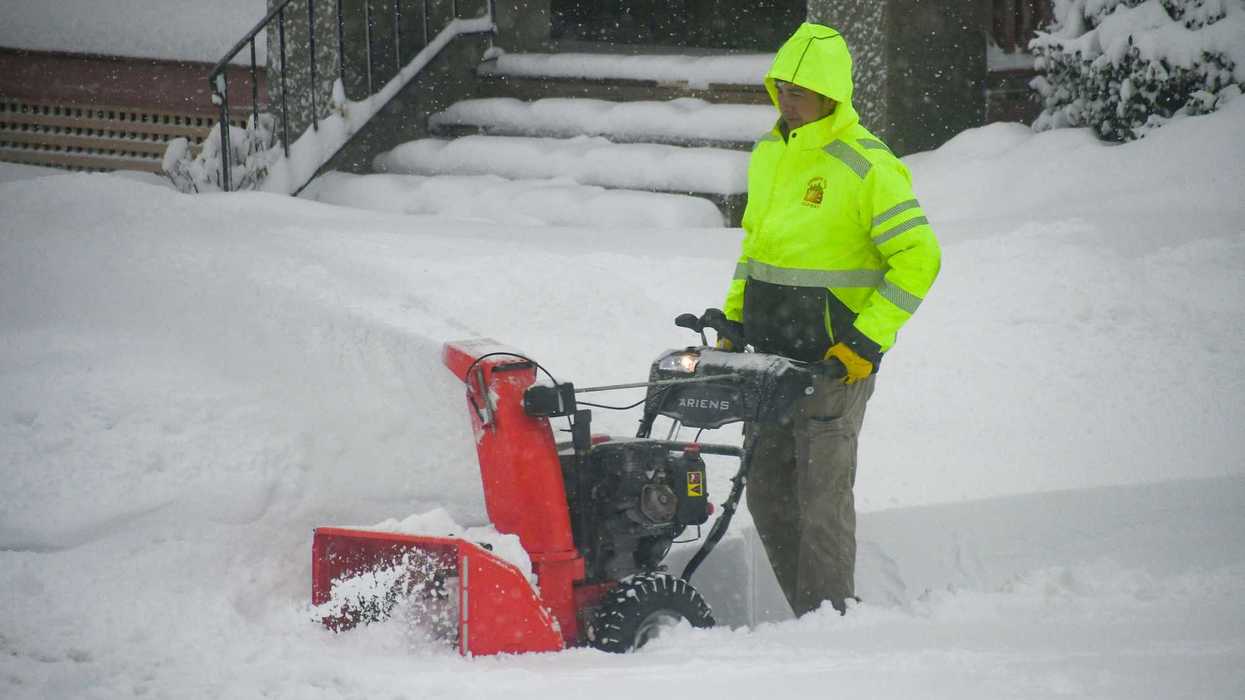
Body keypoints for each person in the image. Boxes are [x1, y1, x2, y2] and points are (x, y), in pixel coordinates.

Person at [721, 23, 940, 616]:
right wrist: (735, 321)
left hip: (832, 367)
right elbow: (756, 249)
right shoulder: (770, 154)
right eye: (781, 88)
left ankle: (831, 625)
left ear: (830, 95)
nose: (787, 101)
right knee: (767, 494)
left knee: (820, 503)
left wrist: (865, 342)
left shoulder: (867, 166)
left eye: (799, 91)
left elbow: (919, 258)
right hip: (770, 361)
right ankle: (808, 618)